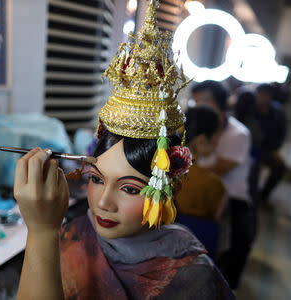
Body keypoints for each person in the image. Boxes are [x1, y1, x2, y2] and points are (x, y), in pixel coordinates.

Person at [13, 2, 235, 299]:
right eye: (96, 178)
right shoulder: (75, 234)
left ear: (167, 189)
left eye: (130, 189)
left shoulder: (193, 280)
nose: (103, 203)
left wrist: (41, 232)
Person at [191, 81, 255, 290]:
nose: (198, 105)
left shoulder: (238, 134)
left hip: (231, 194)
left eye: (203, 101)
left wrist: (183, 167)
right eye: (196, 100)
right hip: (197, 191)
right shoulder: (195, 123)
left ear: (218, 103)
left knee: (239, 241)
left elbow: (217, 170)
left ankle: (227, 285)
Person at [176, 106, 227, 221]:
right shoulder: (212, 183)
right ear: (201, 140)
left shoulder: (161, 168)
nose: (217, 143)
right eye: (217, 137)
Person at [251, 83, 287, 205]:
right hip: (248, 147)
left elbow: (281, 134)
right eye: (260, 95)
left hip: (267, 149)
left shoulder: (278, 112)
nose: (262, 98)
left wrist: (274, 149)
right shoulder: (250, 108)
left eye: (265, 95)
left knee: (280, 167)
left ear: (270, 96)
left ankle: (264, 196)